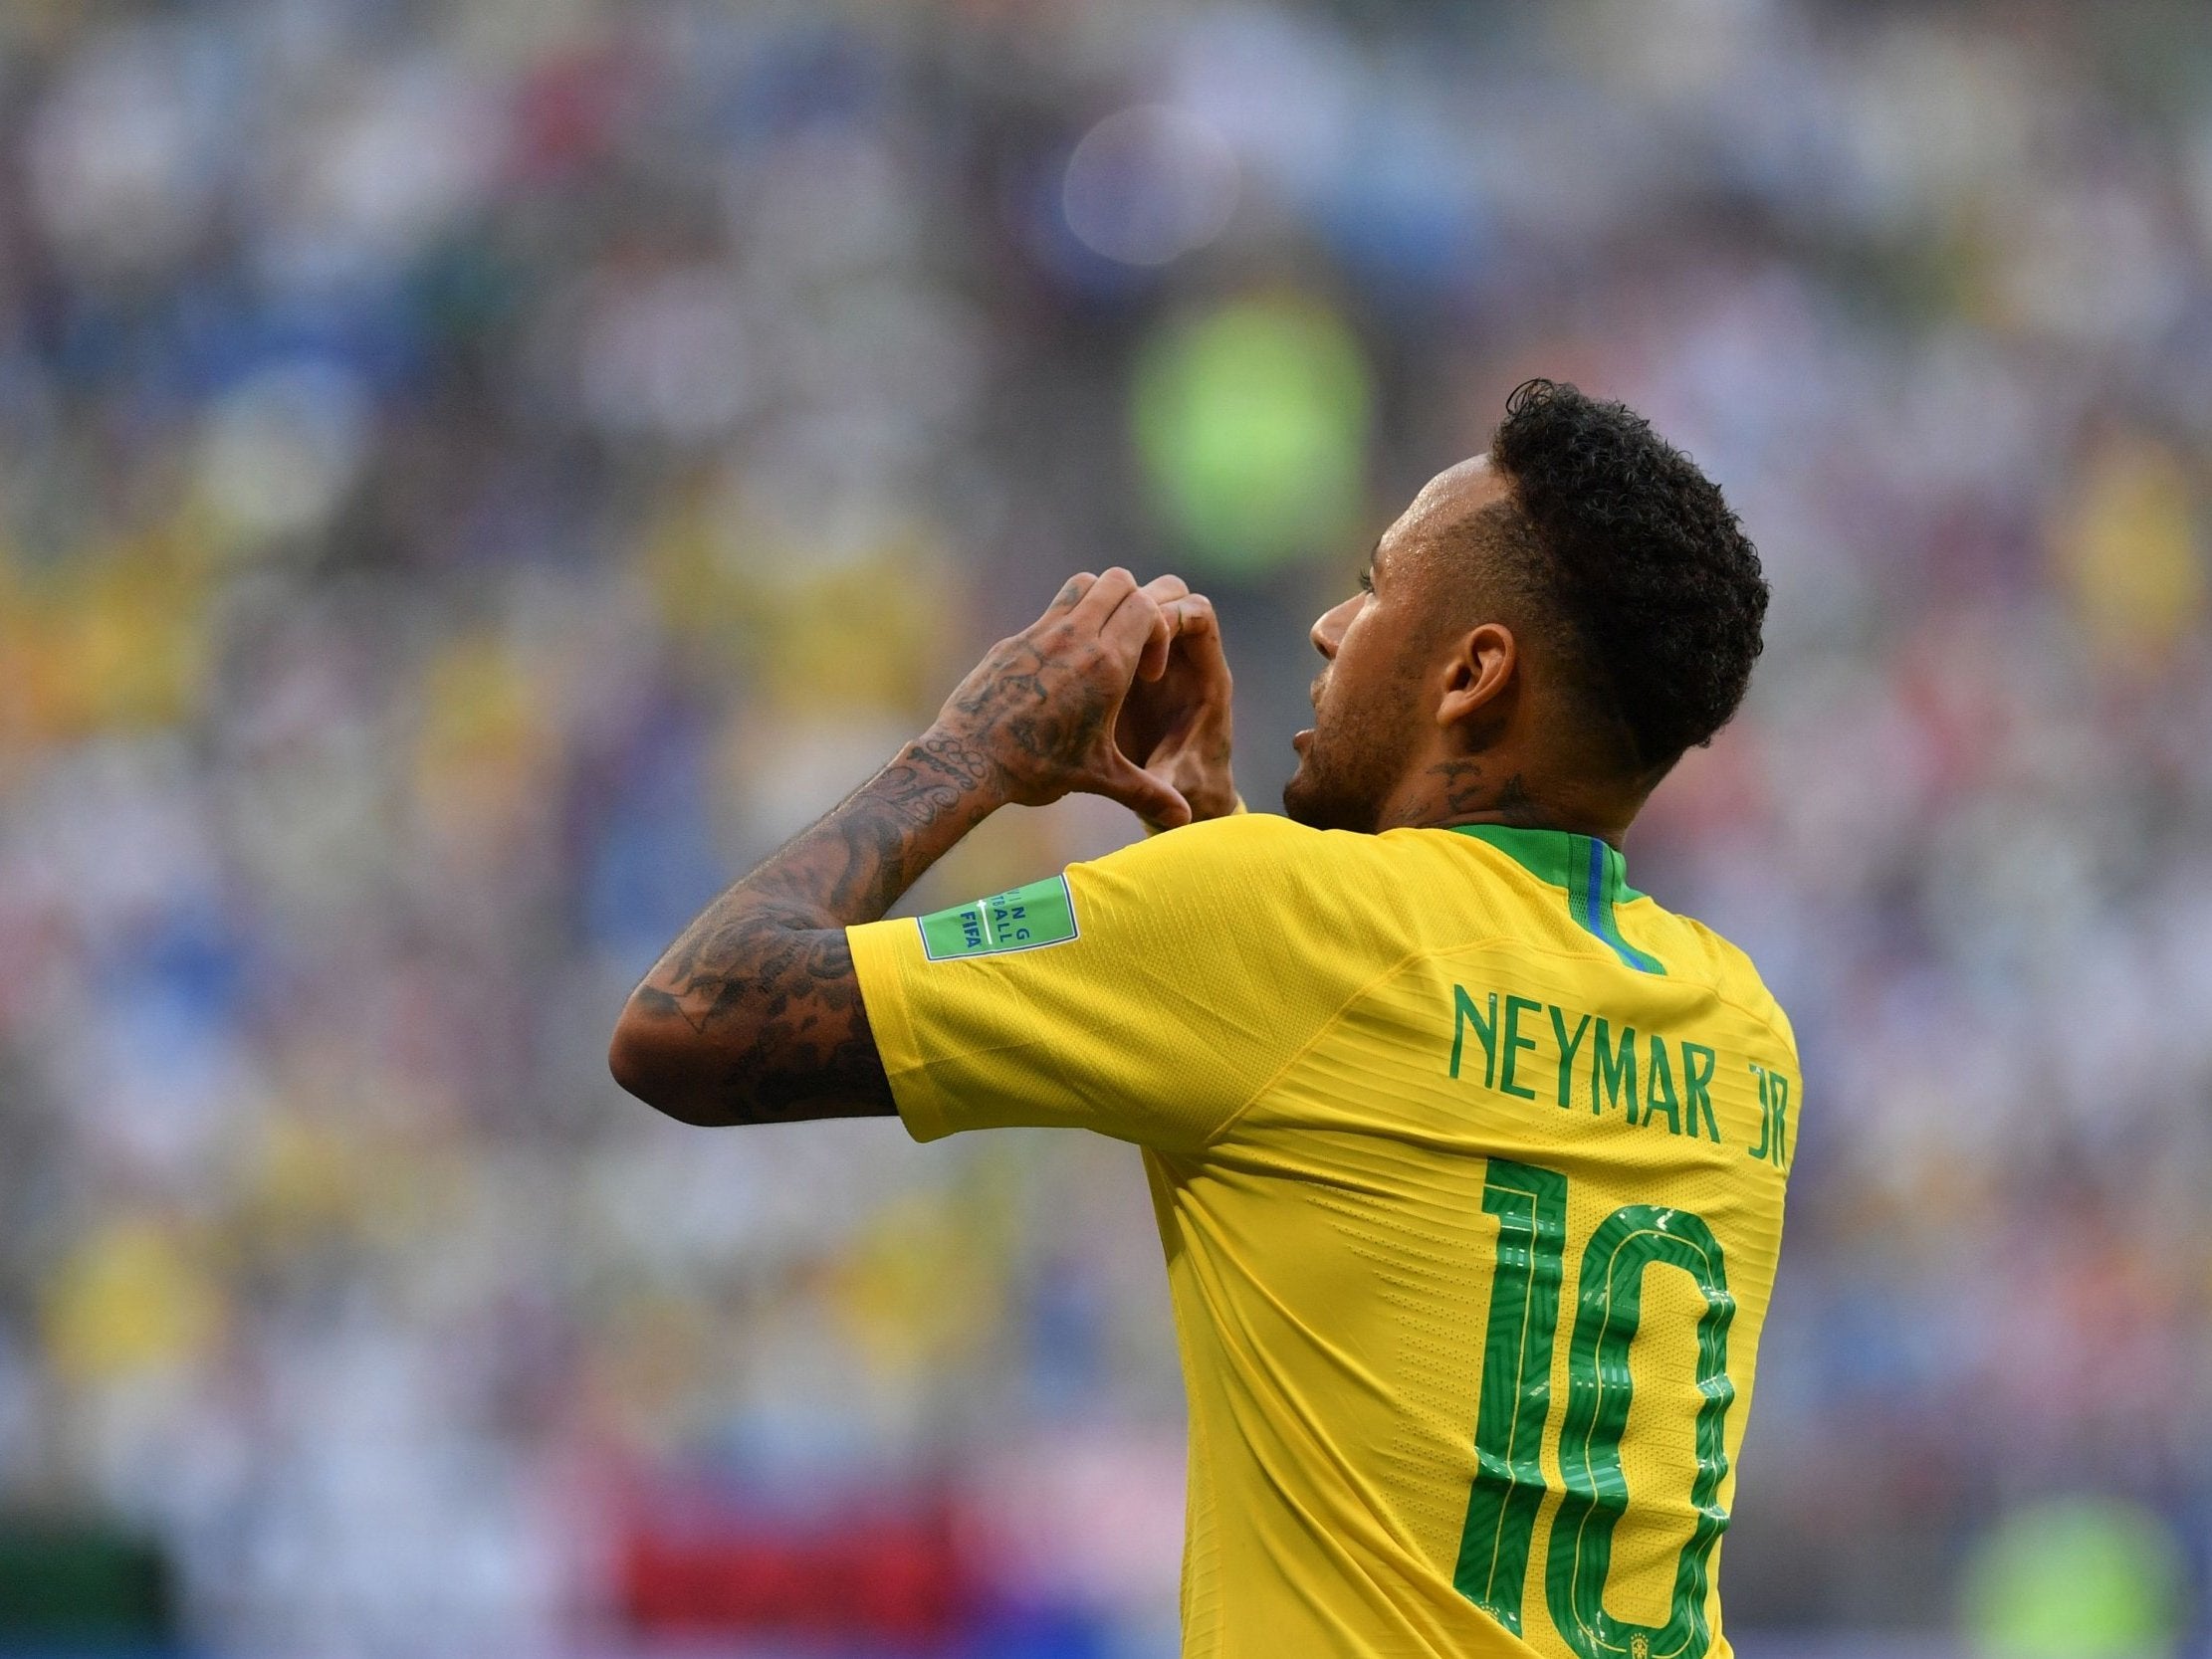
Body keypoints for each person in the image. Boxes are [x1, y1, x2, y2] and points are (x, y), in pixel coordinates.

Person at [609, 379, 1795, 1659]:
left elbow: (691, 1020)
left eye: (1377, 585)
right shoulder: (1739, 1026)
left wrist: (975, 748)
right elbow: (1365, 1134)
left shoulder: (1271, 929)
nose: (1334, 626)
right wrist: (1208, 856)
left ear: (1471, 672)